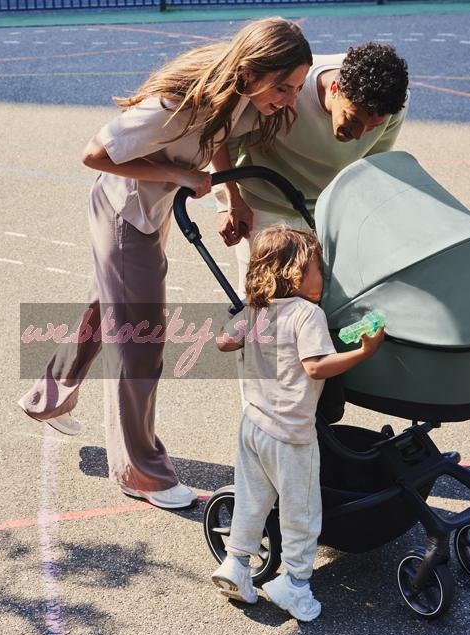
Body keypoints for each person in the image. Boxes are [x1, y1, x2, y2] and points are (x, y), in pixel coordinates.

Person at [17, 18, 313, 510]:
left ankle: (49, 396)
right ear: (250, 71)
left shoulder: (234, 93)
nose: (289, 99)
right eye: (283, 87)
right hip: (125, 214)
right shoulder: (174, 106)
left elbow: (218, 134)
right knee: (139, 342)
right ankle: (139, 472)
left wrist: (231, 198)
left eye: (298, 88)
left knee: (112, 308)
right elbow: (94, 154)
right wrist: (177, 172)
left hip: (147, 210)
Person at [210, 226, 384, 621]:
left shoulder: (256, 310)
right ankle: (295, 583)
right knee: (300, 512)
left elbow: (224, 341)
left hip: (253, 426)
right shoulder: (308, 315)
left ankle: (236, 563)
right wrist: (363, 351)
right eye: (317, 269)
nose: (323, 277)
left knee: (251, 499)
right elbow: (316, 366)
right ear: (294, 272)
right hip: (291, 435)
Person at [213, 42, 410, 298]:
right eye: (352, 119)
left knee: (321, 301)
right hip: (265, 203)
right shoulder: (288, 86)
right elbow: (222, 136)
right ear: (335, 88)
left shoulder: (393, 106)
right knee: (261, 300)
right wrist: (228, 201)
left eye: (373, 127)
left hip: (327, 211)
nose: (359, 135)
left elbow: (370, 166)